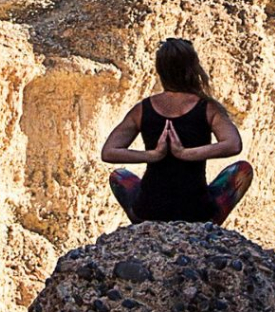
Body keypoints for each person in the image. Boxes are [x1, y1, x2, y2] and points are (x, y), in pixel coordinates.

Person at [100, 37, 252, 223]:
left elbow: (109, 152)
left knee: (119, 176)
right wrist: (186, 154)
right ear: (194, 68)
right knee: (243, 170)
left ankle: (142, 222)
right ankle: (208, 225)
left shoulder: (143, 109)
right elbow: (233, 144)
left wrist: (153, 155)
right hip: (196, 211)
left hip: (149, 210)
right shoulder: (207, 108)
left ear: (160, 71)